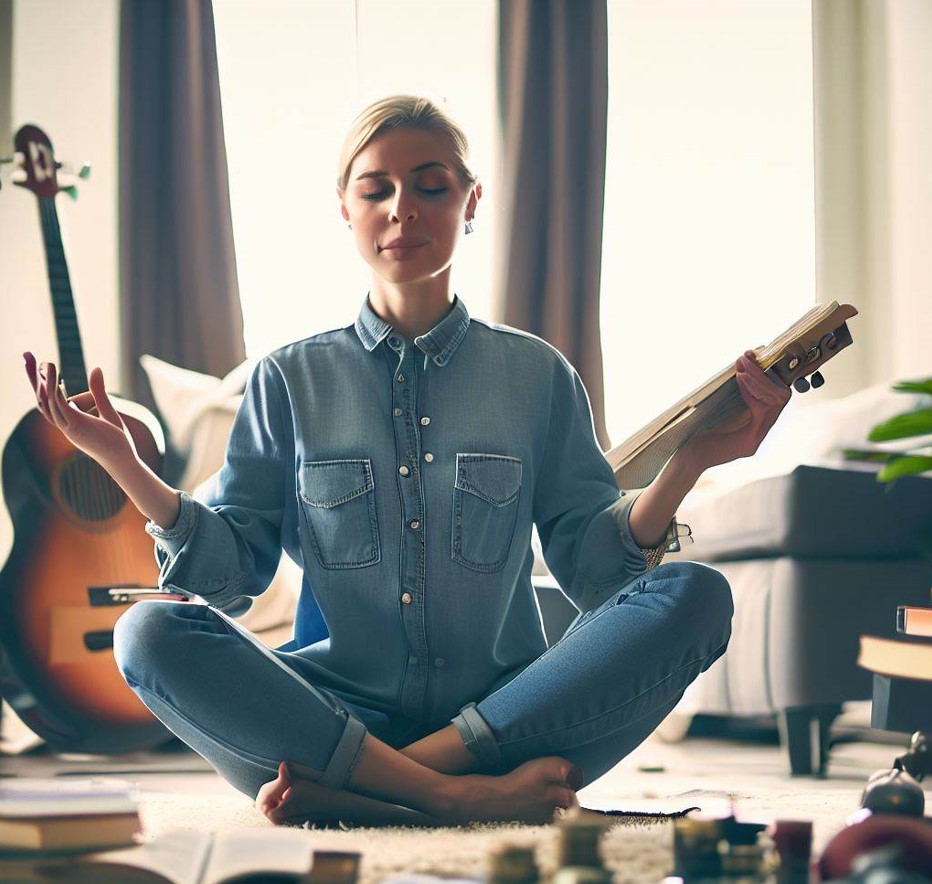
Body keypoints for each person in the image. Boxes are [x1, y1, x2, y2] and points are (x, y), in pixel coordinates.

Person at [24, 95, 791, 827]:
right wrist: (129, 468)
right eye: (377, 188)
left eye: (431, 185)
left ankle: (385, 788)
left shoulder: (537, 375)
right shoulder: (287, 379)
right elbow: (229, 575)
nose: (403, 208)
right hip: (331, 718)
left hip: (505, 718)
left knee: (694, 594)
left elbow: (598, 571)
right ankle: (456, 799)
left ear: (472, 201)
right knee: (149, 633)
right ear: (345, 209)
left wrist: (690, 461)